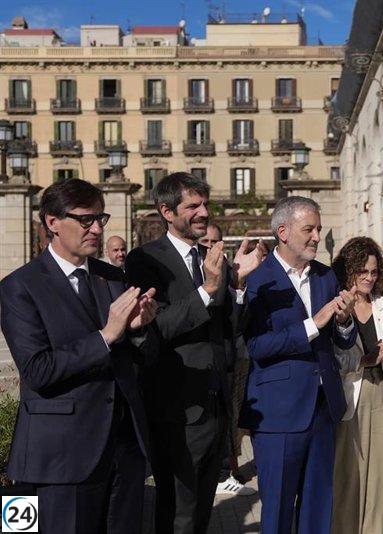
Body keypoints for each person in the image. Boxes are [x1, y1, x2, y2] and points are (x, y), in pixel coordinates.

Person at [0, 179, 158, 533]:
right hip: (61, 455)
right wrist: (106, 336)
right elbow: (38, 370)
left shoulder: (113, 278)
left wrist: (141, 329)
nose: (98, 228)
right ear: (52, 222)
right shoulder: (19, 287)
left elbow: (143, 358)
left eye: (101, 218)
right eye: (86, 220)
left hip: (124, 450)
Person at [125, 172, 265, 533]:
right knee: (177, 513)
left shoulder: (211, 258)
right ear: (167, 212)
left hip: (216, 406)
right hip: (176, 409)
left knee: (202, 511)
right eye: (194, 206)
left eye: (205, 204)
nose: (204, 212)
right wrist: (207, 288)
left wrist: (238, 284)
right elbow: (156, 328)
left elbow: (227, 328)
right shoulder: (145, 260)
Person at [240, 196, 358, 534]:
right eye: (309, 229)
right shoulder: (259, 280)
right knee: (276, 512)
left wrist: (345, 322)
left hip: (323, 410)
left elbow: (342, 340)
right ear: (283, 231)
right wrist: (313, 325)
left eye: (319, 229)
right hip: (278, 413)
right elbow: (257, 345)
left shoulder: (325, 276)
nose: (317, 237)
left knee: (318, 509)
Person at [330, 237, 383, 534]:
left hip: (382, 397)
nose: (368, 277)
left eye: (374, 271)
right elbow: (332, 360)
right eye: (361, 270)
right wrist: (363, 361)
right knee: (349, 474)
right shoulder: (338, 304)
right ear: (348, 270)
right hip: (351, 398)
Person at [198, 223, 258, 497]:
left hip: (229, 358)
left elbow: (235, 321)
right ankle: (219, 474)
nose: (211, 246)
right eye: (205, 241)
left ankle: (225, 472)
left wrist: (239, 283)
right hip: (195, 364)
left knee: (228, 417)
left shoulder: (227, 272)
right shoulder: (191, 271)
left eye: (216, 241)